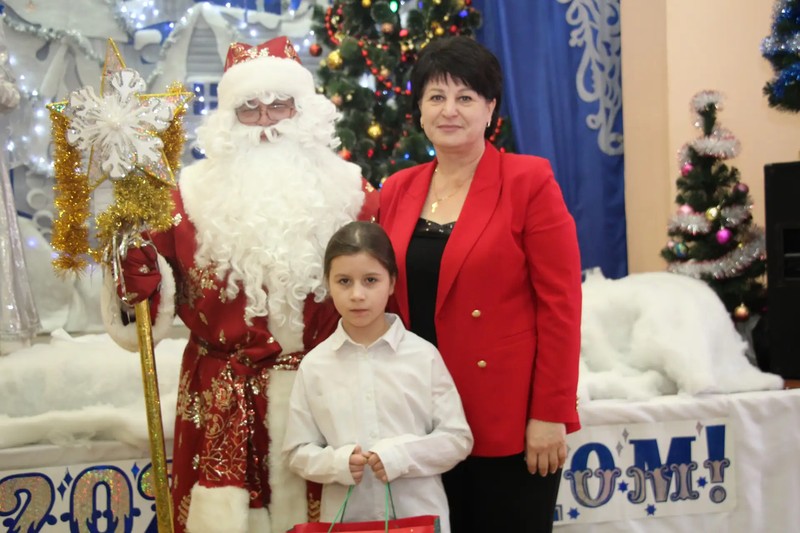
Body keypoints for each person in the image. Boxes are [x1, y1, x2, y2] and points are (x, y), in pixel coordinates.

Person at [101, 36, 378, 533]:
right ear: (228, 119)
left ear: (303, 111)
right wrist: (132, 272)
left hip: (325, 393)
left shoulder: (354, 193)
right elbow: (142, 307)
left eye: (279, 105)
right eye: (250, 108)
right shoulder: (186, 197)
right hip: (219, 396)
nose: (266, 120)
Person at [378, 36, 582, 532]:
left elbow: (561, 306)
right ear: (419, 110)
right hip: (419, 417)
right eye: (436, 96)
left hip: (507, 417)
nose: (449, 110)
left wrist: (550, 412)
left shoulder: (528, 181)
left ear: (490, 109)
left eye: (465, 97)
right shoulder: (398, 189)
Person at [282, 221, 472, 533]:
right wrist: (338, 463)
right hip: (347, 523)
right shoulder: (315, 365)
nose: (357, 294)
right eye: (344, 281)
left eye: (371, 280)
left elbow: (457, 439)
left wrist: (402, 456)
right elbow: (296, 452)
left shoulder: (422, 356)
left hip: (419, 519)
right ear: (328, 284)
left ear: (392, 282)